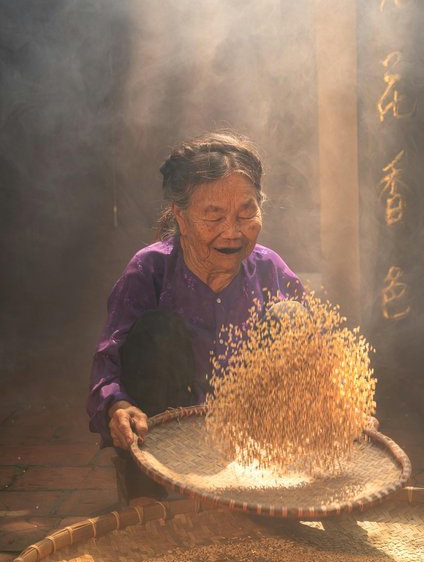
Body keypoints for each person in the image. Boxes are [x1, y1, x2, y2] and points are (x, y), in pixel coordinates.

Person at [87, 130, 304, 506]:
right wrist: (118, 406)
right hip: (164, 439)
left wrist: (341, 411)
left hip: (252, 445)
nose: (232, 231)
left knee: (292, 318)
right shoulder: (150, 269)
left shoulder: (270, 270)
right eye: (214, 216)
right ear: (181, 216)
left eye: (246, 213)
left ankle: (270, 479)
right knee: (157, 332)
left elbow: (319, 359)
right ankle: (148, 490)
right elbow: (109, 359)